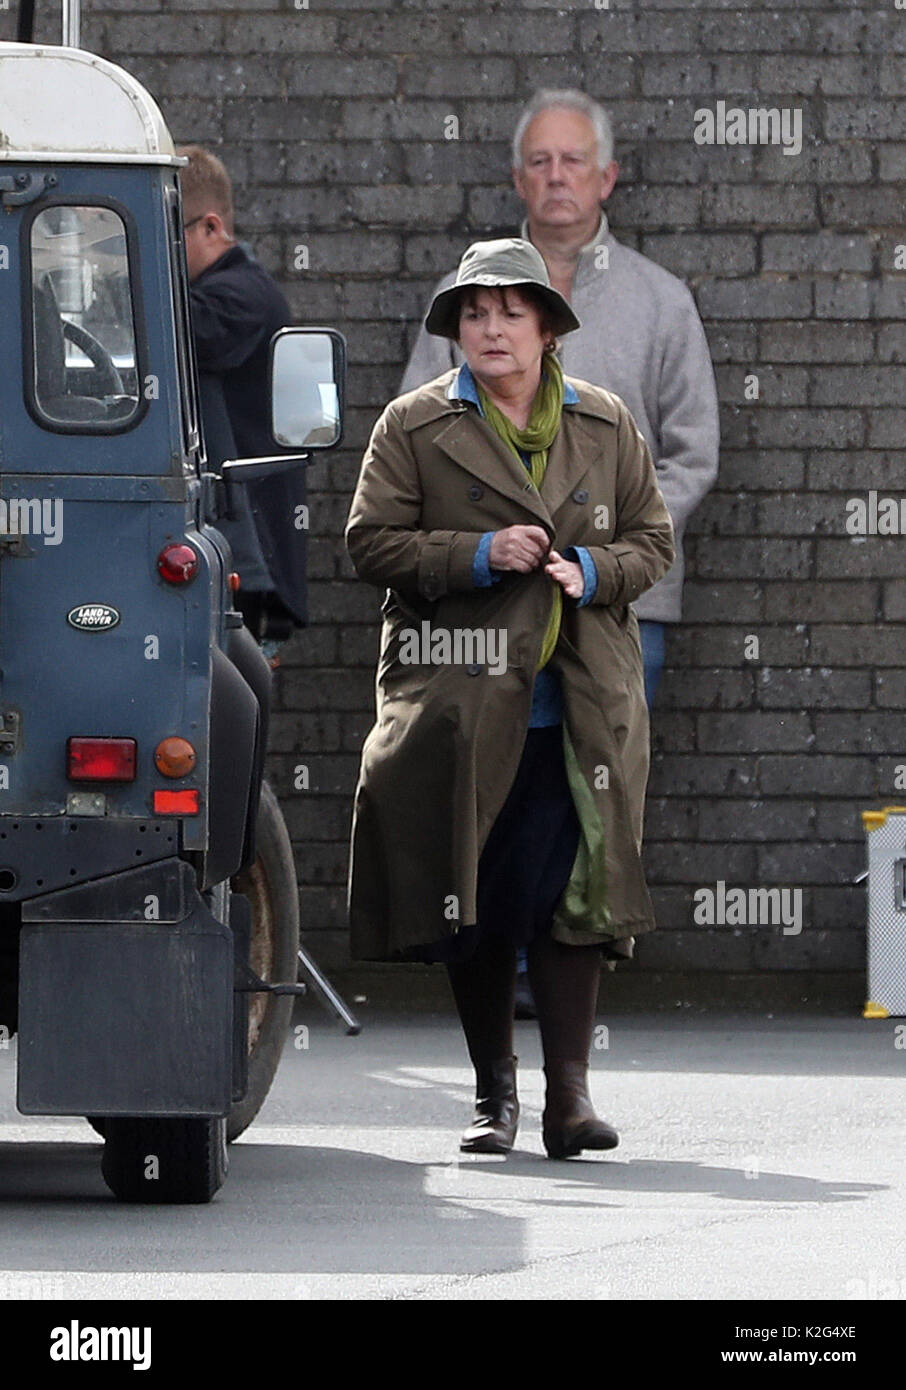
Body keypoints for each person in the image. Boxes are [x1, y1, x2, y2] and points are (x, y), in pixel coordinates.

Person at [345, 239, 675, 1158]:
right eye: (474, 313)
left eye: (510, 312)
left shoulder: (605, 424)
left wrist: (597, 568)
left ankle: (570, 1101)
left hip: (579, 705)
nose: (491, 329)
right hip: (464, 697)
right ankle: (496, 1099)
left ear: (546, 329)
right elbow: (370, 543)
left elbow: (655, 540)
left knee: (575, 895)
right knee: (476, 895)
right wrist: (477, 557)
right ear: (456, 330)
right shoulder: (414, 425)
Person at [400, 89, 719, 707]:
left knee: (603, 790)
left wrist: (614, 549)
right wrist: (482, 548)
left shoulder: (662, 302)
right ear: (518, 180)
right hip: (482, 602)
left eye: (573, 161)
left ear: (607, 177)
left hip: (622, 603)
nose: (556, 176)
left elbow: (694, 454)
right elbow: (417, 436)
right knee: (484, 791)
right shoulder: (460, 299)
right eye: (540, 162)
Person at [177, 143, 305, 643]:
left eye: (169, 231)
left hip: (248, 563)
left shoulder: (243, 296)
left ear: (211, 227)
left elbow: (179, 331)